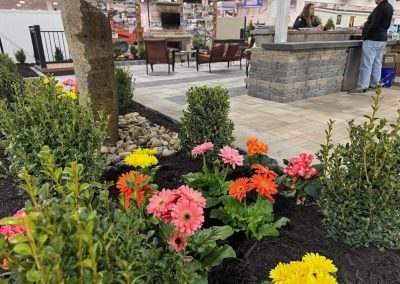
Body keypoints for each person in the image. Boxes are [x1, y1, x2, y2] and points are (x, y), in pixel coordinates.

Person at [350, 0, 394, 94]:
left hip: (373, 38)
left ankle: (362, 86)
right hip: (382, 38)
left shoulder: (380, 7)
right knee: (377, 63)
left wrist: (366, 35)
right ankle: (375, 84)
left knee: (366, 64)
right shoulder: (390, 7)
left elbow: (374, 23)